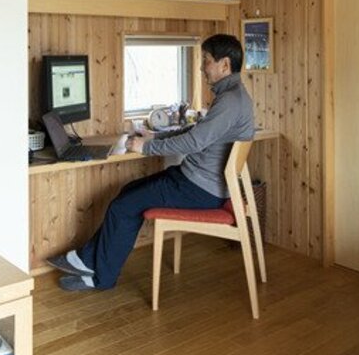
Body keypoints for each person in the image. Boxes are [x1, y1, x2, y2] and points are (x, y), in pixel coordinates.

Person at [48, 33, 255, 292]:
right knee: (128, 192)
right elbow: (194, 132)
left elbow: (193, 143)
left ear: (224, 65)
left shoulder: (230, 101)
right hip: (196, 182)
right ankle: (88, 261)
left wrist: (146, 147)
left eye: (206, 60)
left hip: (199, 189)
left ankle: (100, 276)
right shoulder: (233, 95)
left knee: (123, 206)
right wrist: (155, 136)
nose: (202, 67)